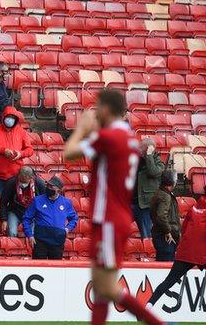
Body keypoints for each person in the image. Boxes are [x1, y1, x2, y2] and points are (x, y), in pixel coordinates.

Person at [64, 89, 163, 325]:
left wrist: (83, 127)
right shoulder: (129, 138)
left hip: (108, 218)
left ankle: (159, 323)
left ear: (106, 109)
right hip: (115, 217)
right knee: (101, 286)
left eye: (98, 108)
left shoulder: (109, 137)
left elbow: (68, 153)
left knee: (106, 286)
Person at [147, 194, 206, 306]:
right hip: (202, 252)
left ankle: (148, 305)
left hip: (186, 251)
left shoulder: (194, 207)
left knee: (169, 281)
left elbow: (184, 229)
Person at [23, 176, 78, 260]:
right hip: (40, 240)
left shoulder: (66, 202)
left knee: (56, 269)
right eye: (48, 185)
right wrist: (29, 235)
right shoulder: (37, 200)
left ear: (58, 190)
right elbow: (26, 218)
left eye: (51, 187)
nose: (48, 188)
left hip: (57, 241)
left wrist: (67, 229)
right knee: (39, 268)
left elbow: (74, 218)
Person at [0, 106, 33, 196]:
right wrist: (3, 151)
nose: (10, 120)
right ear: (3, 117)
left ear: (16, 119)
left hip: (15, 175)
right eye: (8, 117)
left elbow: (30, 150)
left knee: (15, 202)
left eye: (13, 118)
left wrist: (20, 154)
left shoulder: (21, 132)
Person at [0, 166, 45, 237]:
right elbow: (3, 202)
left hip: (32, 213)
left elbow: (44, 202)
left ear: (31, 178)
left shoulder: (39, 184)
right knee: (12, 232)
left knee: (32, 235)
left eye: (24, 181)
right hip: (15, 211)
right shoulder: (11, 183)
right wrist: (4, 220)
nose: (22, 183)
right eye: (20, 180)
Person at [132, 137, 164, 239]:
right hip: (131, 202)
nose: (139, 149)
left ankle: (147, 254)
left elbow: (152, 172)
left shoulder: (159, 164)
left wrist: (149, 156)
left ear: (149, 149)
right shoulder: (136, 160)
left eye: (141, 148)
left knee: (146, 236)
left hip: (144, 206)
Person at [150, 170, 180, 262]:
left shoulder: (161, 193)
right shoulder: (165, 196)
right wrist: (168, 232)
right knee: (166, 265)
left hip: (162, 236)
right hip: (166, 238)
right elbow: (161, 216)